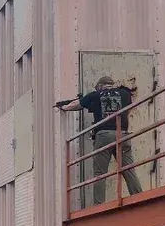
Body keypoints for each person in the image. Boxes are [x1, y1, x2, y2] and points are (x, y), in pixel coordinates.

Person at [56, 75, 143, 204]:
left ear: (100, 86)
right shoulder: (124, 94)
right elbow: (129, 103)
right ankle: (138, 198)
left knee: (100, 173)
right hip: (123, 134)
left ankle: (99, 204)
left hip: (104, 136)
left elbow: (75, 105)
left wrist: (63, 107)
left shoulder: (95, 95)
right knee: (128, 169)